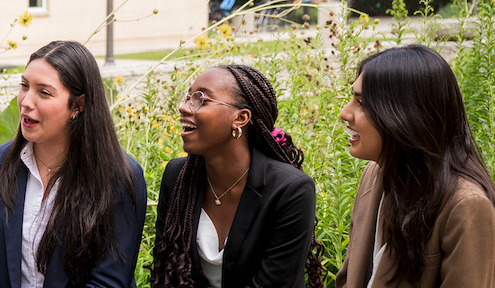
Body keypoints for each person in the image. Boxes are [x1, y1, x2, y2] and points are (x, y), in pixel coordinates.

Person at [0, 40, 147, 287]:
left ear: (78, 106)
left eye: (44, 92)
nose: (26, 101)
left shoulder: (120, 178)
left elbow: (107, 283)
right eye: (24, 86)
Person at [151, 65, 325, 288]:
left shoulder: (290, 190)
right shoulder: (177, 176)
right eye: (187, 97)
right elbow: (164, 272)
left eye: (200, 99)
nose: (183, 107)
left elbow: (274, 283)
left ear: (240, 118)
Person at [335, 45, 495, 287]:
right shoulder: (374, 174)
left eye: (362, 103)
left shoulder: (467, 206)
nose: (344, 113)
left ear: (405, 115)